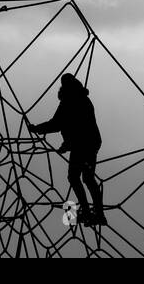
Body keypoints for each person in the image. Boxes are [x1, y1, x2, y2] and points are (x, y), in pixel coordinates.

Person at [28, 73, 106, 226]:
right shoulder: (83, 99)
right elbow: (76, 125)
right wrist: (67, 145)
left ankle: (88, 212)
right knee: (88, 178)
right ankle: (97, 213)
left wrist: (37, 128)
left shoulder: (69, 101)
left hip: (82, 144)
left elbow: (58, 124)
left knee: (74, 177)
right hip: (91, 142)